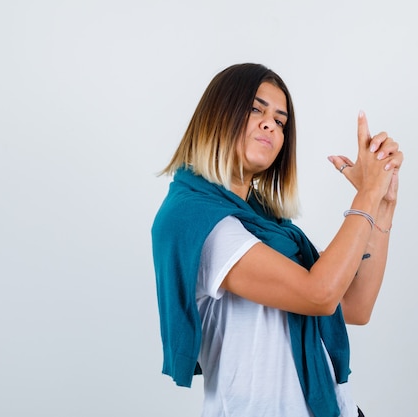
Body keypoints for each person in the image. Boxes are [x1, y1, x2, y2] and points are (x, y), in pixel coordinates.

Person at [151, 63, 403, 417]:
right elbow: (320, 294)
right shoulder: (195, 219)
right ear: (216, 115)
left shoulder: (270, 225)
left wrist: (382, 203)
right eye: (256, 109)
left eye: (280, 121)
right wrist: (367, 195)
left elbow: (354, 306)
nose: (270, 123)